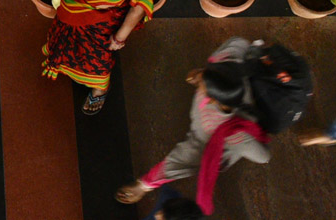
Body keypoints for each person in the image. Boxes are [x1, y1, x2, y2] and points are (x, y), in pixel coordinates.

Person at [116, 37, 271, 213]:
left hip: (208, 147)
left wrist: (143, 185)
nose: (196, 77)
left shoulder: (228, 134)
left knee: (185, 160)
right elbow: (239, 42)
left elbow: (263, 157)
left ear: (212, 99)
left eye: (201, 82)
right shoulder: (229, 62)